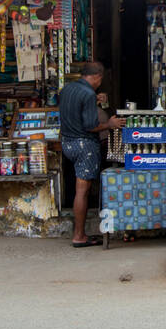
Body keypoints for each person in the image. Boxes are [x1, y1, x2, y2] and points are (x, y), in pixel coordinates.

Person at [60, 62, 123, 247]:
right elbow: (90, 126)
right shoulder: (87, 93)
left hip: (67, 143)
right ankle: (79, 236)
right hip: (84, 145)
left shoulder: (67, 89)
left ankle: (79, 233)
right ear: (97, 76)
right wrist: (109, 124)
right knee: (83, 191)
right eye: (100, 79)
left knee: (80, 189)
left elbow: (75, 110)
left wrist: (94, 101)